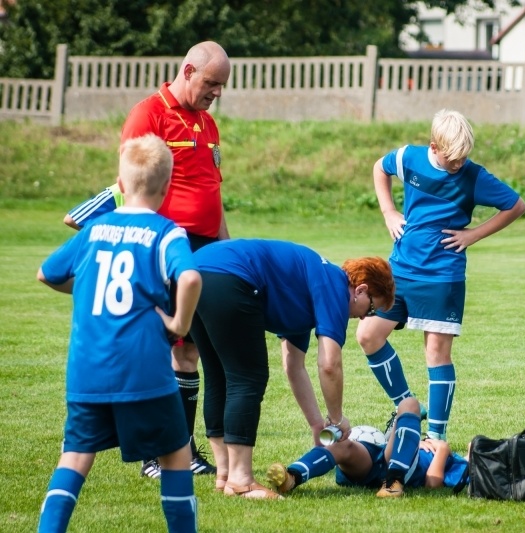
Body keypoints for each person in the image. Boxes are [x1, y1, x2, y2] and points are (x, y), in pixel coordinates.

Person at [62, 40, 231, 478]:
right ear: (188, 71)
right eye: (211, 83)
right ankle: (155, 456)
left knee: (190, 350)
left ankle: (182, 452)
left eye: (222, 86)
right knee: (164, 350)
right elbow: (130, 185)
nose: (217, 92)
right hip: (165, 248)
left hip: (206, 249)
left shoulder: (208, 123)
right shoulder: (148, 114)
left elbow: (213, 191)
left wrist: (227, 249)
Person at [36, 134, 202, 533]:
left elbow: (47, 273)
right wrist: (179, 324)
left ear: (121, 185)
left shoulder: (93, 231)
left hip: (87, 371)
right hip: (144, 370)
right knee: (176, 455)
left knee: (74, 458)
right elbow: (192, 276)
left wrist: (87, 289)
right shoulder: (168, 233)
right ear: (167, 187)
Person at [356, 108, 525, 441]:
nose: (459, 164)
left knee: (436, 353)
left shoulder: (473, 176)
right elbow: (380, 167)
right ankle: (406, 404)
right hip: (400, 270)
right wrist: (389, 210)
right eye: (453, 158)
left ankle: (435, 438)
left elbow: (516, 206)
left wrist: (473, 234)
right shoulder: (410, 158)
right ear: (434, 146)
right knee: (367, 336)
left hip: (442, 276)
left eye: (464, 157)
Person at [188, 239, 395, 499]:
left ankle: (225, 475)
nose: (365, 317)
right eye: (372, 308)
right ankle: (241, 480)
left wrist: (316, 424)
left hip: (194, 271)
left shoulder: (308, 291)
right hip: (230, 275)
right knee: (247, 379)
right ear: (361, 290)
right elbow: (329, 364)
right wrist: (337, 418)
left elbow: (293, 366)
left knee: (219, 375)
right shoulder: (335, 285)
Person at [266, 397, 468, 497]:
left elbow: (433, 484)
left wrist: (443, 450)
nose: (471, 447)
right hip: (387, 456)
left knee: (411, 403)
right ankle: (293, 476)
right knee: (343, 447)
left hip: (401, 469)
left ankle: (393, 485)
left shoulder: (462, 467)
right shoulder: (461, 459)